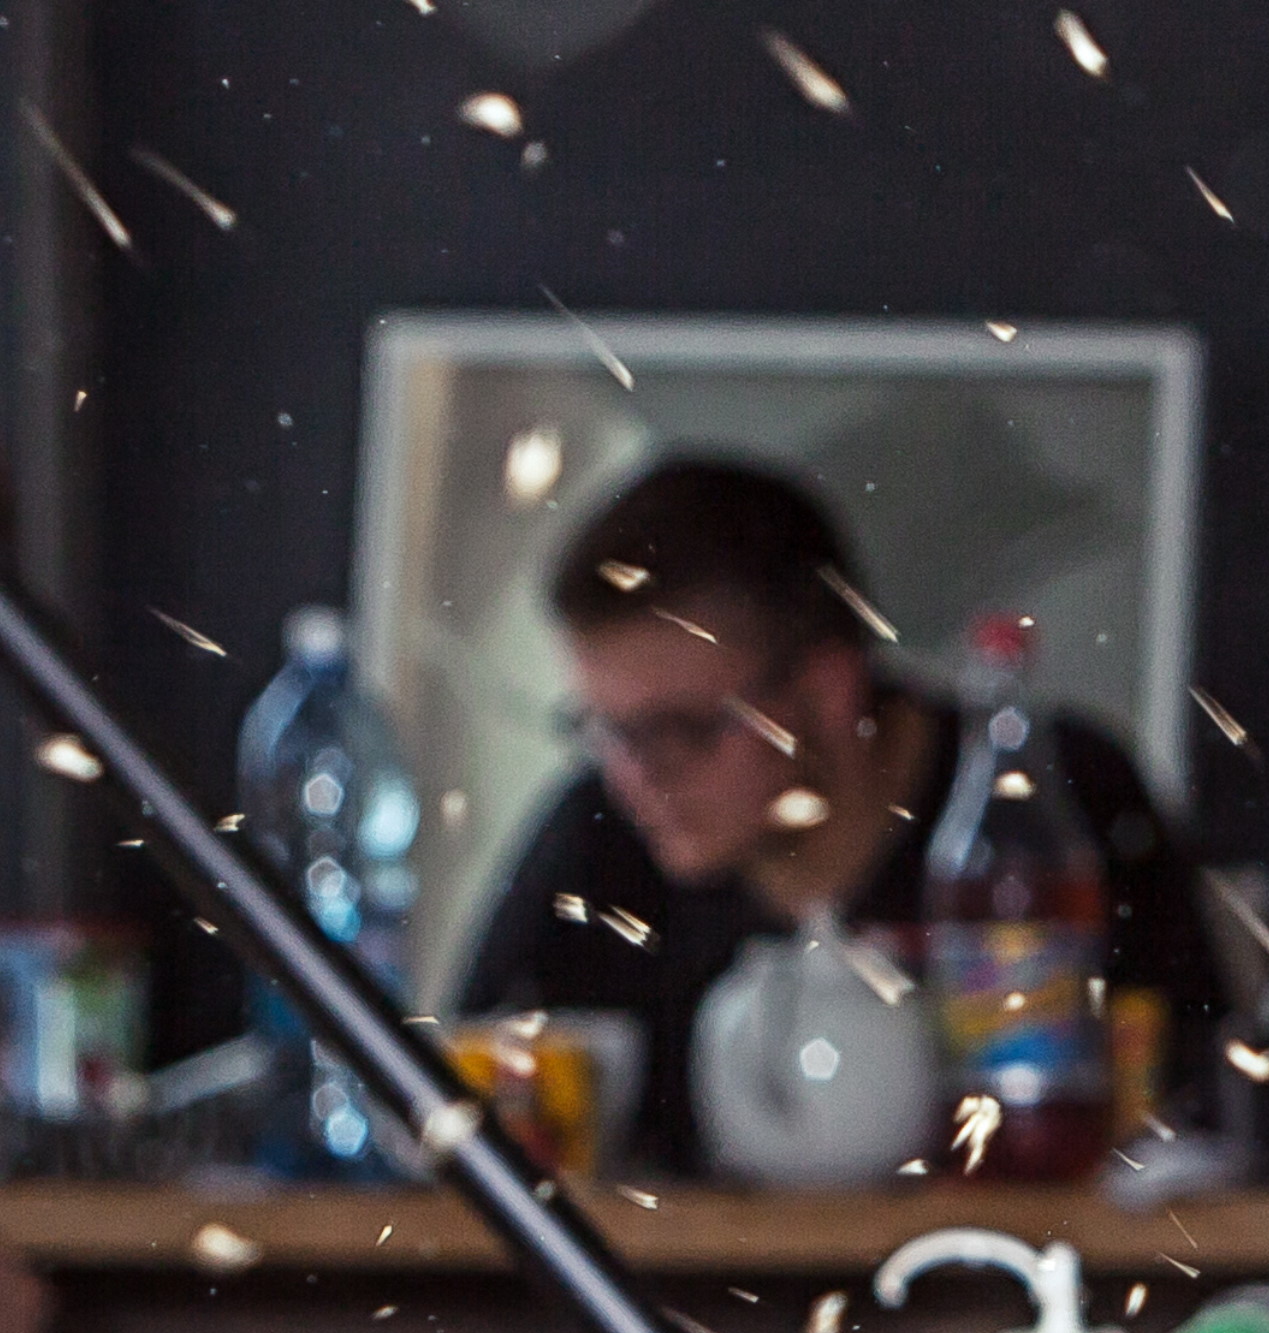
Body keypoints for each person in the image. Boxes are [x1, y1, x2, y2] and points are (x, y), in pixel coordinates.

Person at [455, 457, 1224, 1178]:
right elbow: (465, 1108)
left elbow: (1197, 1113)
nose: (635, 778)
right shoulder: (598, 839)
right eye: (605, 731)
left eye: (680, 730)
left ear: (828, 691)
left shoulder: (1041, 798)